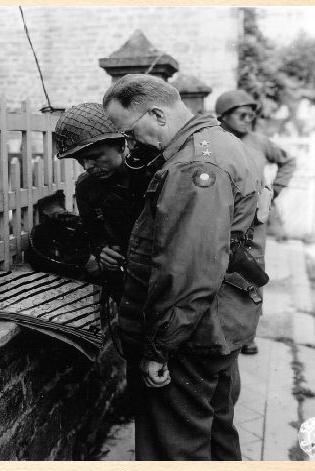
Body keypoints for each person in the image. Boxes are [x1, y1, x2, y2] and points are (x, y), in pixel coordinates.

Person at [102, 74, 263, 461]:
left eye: (130, 131)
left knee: (175, 449)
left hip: (192, 336)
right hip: (217, 323)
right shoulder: (223, 144)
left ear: (156, 113)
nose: (131, 143)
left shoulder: (192, 167)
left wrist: (159, 349)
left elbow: (187, 272)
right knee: (216, 434)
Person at [51, 103, 162, 347]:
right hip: (125, 288)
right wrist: (102, 250)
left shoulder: (152, 175)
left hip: (161, 282)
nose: (89, 167)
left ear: (121, 145)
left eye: (94, 157)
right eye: (81, 161)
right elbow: (93, 233)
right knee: (136, 352)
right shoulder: (87, 187)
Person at [215, 90, 297, 355]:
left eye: (251, 115)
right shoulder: (215, 140)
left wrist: (276, 190)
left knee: (252, 271)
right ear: (223, 117)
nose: (248, 120)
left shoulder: (260, 141)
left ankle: (248, 333)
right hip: (222, 215)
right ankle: (223, 328)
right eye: (242, 115)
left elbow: (288, 161)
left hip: (254, 223)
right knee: (219, 271)